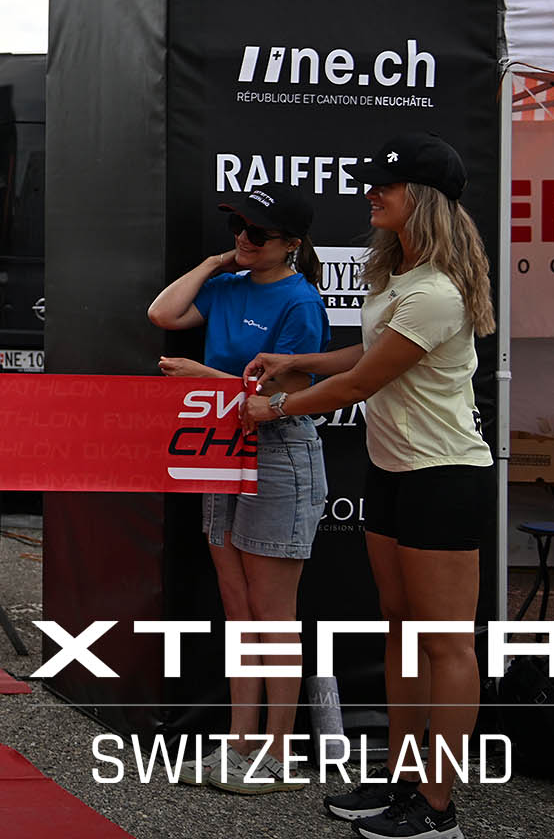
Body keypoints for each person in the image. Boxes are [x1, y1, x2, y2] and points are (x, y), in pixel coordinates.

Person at [242, 133, 493, 839]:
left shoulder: (437, 290)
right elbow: (368, 354)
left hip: (444, 476)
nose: (371, 192)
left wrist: (278, 405)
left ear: (425, 198)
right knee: (401, 628)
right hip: (391, 471)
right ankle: (405, 778)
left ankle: (437, 808)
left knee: (446, 644)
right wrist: (297, 359)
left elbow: (362, 383)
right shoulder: (398, 273)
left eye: (386, 184)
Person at [147, 181, 329, 793]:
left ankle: (277, 753)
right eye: (237, 228)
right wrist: (213, 262)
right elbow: (163, 314)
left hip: (277, 452)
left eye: (256, 232)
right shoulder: (227, 285)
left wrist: (203, 376)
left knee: (273, 614)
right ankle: (240, 743)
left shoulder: (300, 302)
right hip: (221, 452)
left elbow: (289, 396)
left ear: (291, 243)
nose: (243, 239)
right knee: (238, 608)